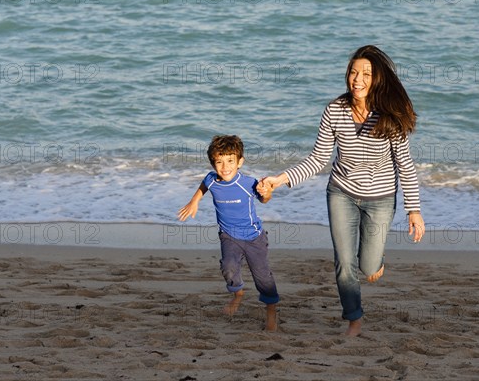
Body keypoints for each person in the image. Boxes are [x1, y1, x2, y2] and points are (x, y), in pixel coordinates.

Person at [259, 45, 425, 337]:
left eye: (366, 74)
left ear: (378, 79)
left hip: (381, 199)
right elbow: (319, 159)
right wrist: (280, 179)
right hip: (342, 192)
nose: (357, 79)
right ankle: (354, 318)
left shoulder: (389, 116)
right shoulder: (335, 110)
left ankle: (375, 261)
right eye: (353, 72)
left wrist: (414, 210)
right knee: (344, 262)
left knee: (368, 266)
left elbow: (406, 166)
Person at [178, 135, 279, 332]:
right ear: (213, 163)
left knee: (263, 278)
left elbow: (265, 199)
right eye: (219, 162)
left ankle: (271, 313)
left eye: (230, 161)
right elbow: (204, 185)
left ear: (240, 161)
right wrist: (194, 201)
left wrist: (267, 193)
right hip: (228, 235)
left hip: (254, 238)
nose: (225, 167)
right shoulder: (212, 179)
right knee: (228, 267)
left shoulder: (248, 183)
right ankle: (238, 294)